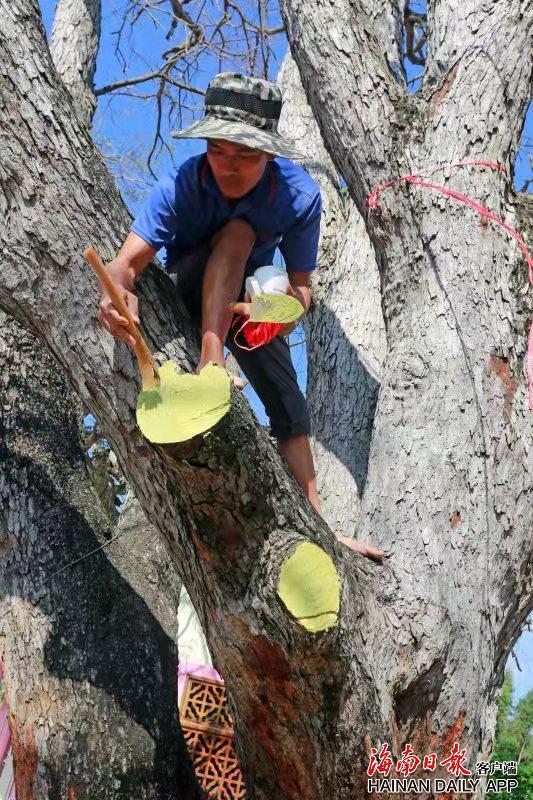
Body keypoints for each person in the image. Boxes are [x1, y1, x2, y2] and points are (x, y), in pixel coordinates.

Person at [98, 72, 384, 563]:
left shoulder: (299, 197)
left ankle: (319, 528)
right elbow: (123, 265)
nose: (229, 166)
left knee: (289, 404)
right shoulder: (184, 184)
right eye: (218, 150)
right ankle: (212, 364)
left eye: (246, 155)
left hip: (250, 302)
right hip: (188, 289)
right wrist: (113, 297)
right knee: (237, 232)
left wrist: (274, 314)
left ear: (270, 155)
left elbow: (300, 292)